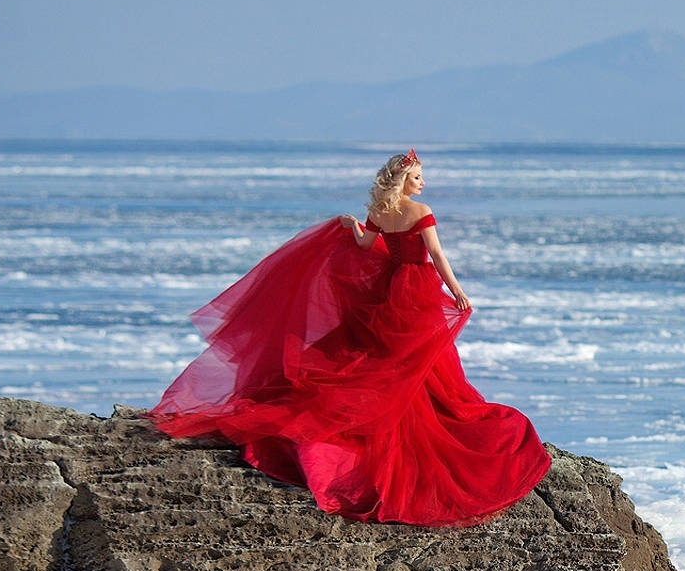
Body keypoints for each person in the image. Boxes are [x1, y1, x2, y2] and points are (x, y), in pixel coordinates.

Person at [151, 149, 551, 526]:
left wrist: (352, 226)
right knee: (417, 363)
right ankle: (410, 424)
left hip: (388, 287)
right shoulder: (422, 212)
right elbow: (436, 256)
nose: (423, 182)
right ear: (403, 179)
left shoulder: (381, 210)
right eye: (417, 176)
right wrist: (457, 291)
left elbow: (365, 244)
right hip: (417, 290)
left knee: (392, 361)